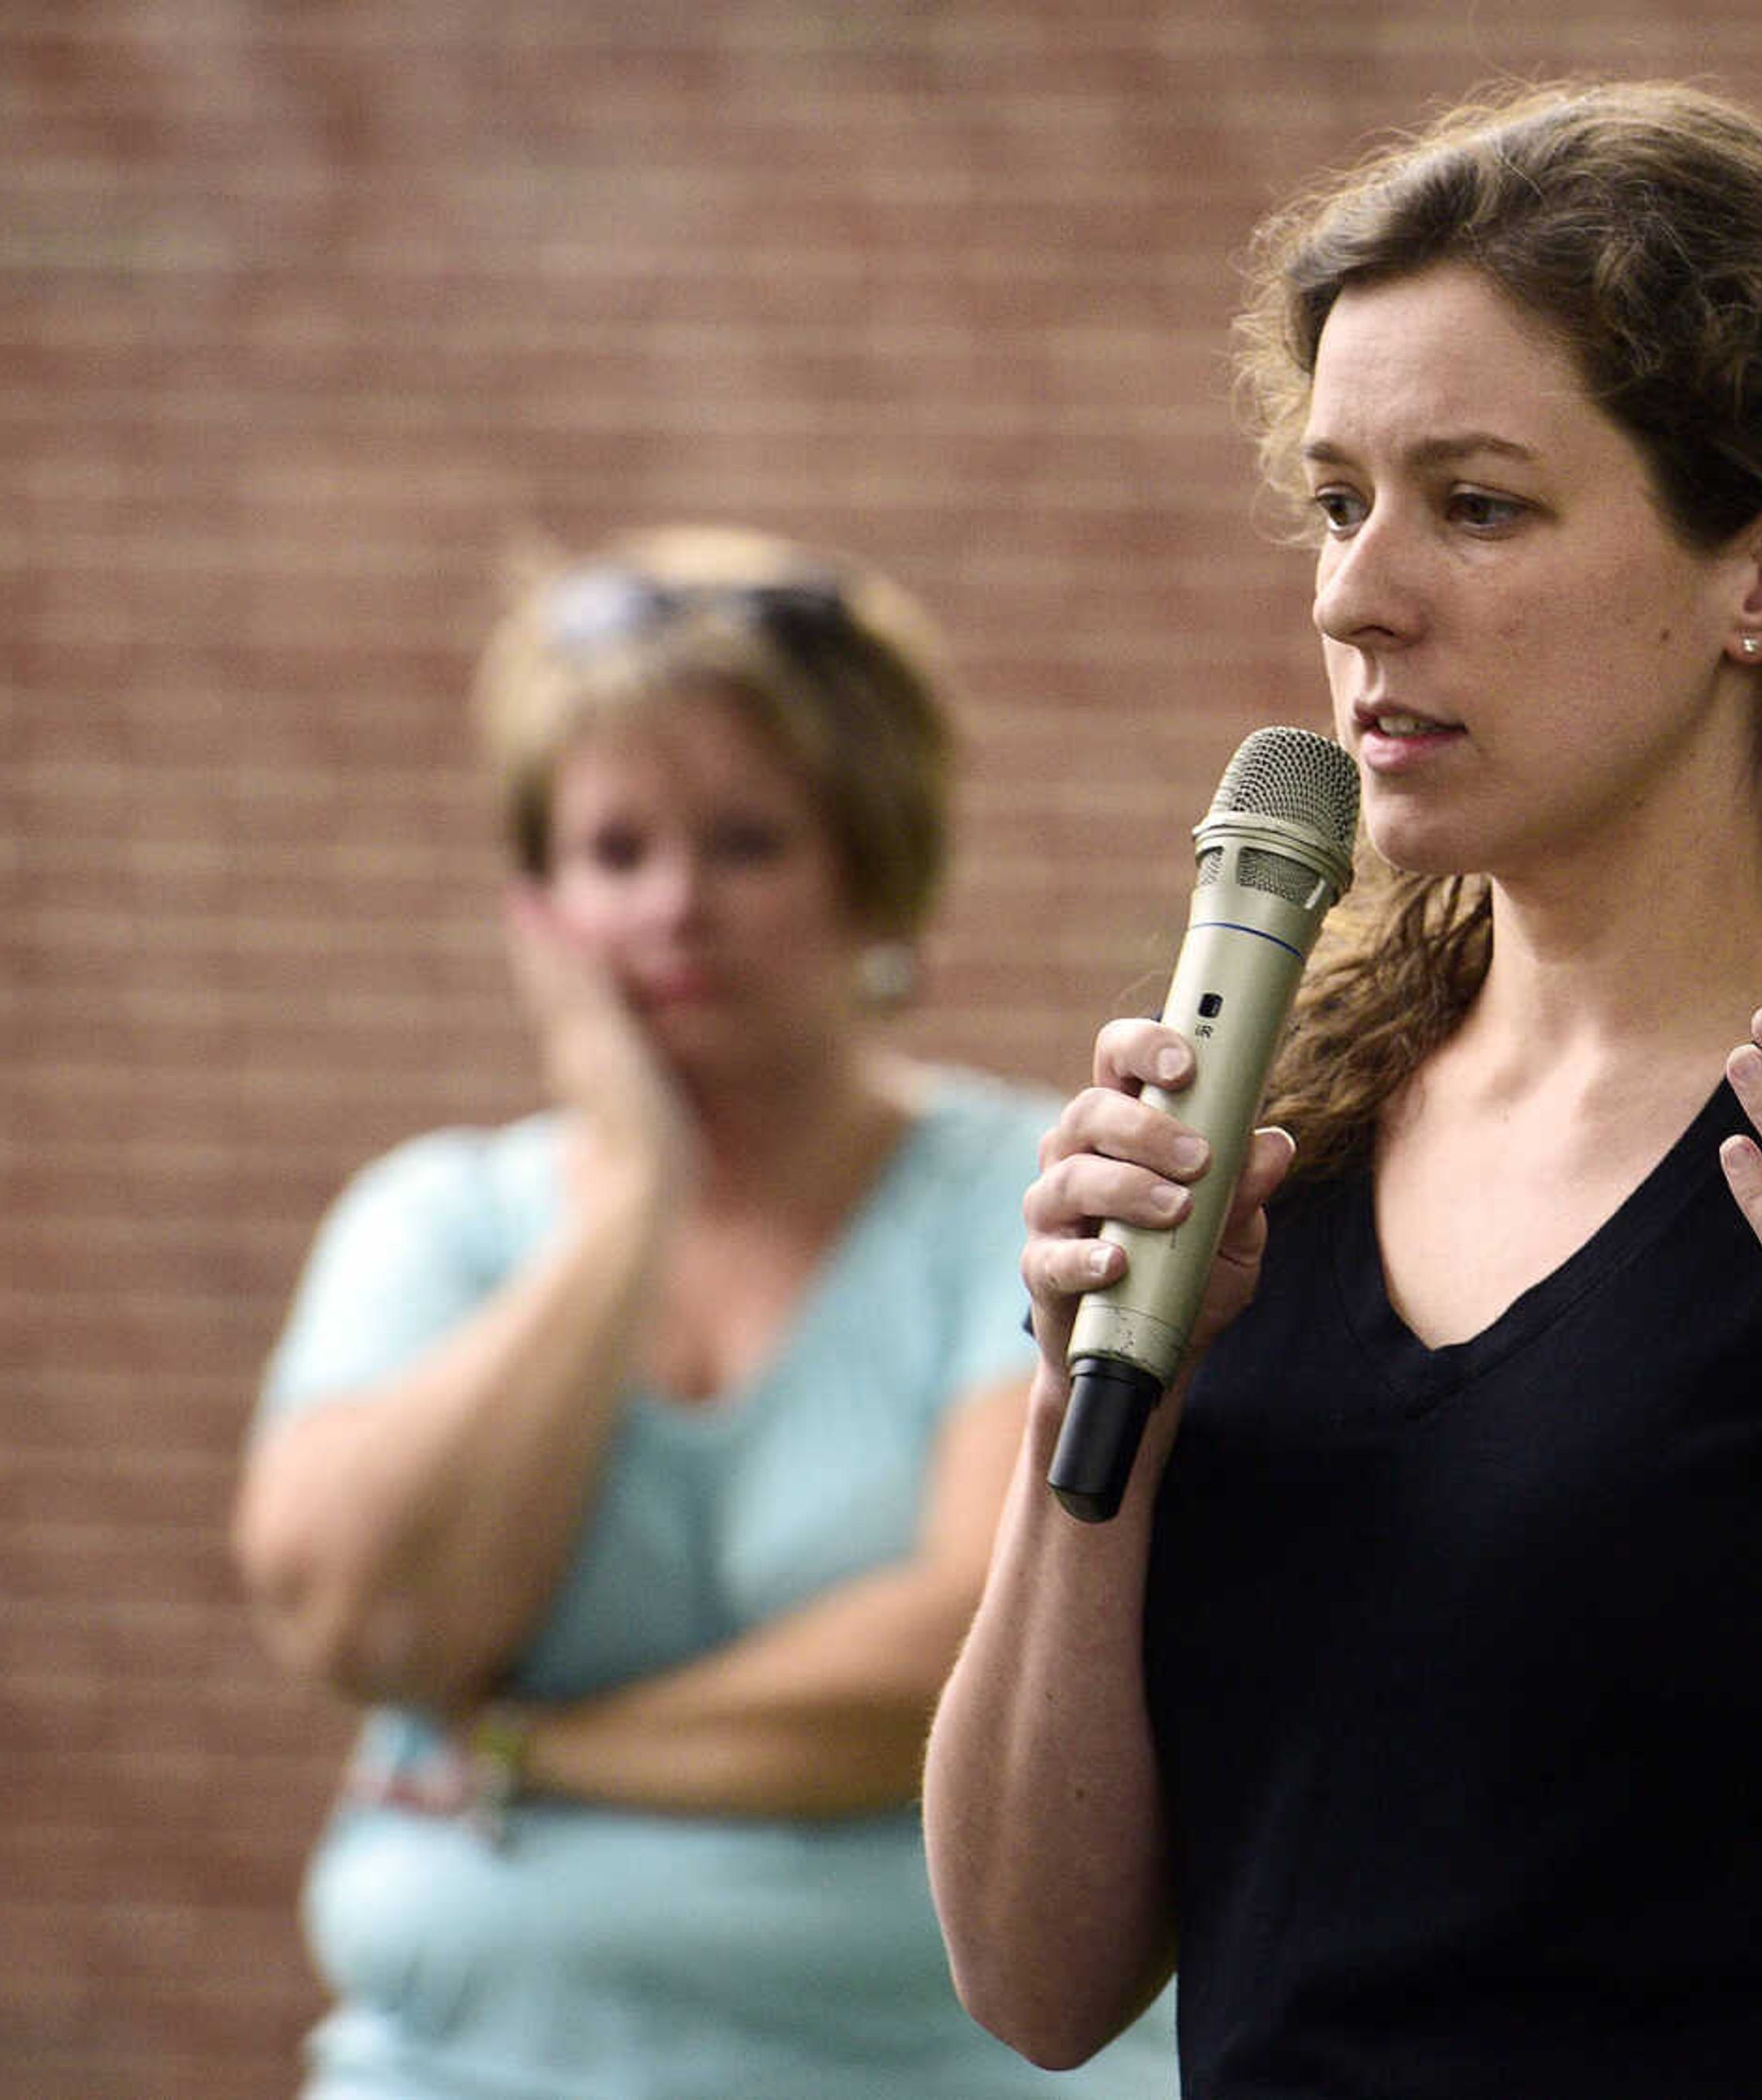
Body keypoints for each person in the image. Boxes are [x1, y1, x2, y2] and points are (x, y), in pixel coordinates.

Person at [924, 81, 1762, 2100]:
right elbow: (1034, 1973)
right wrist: (1098, 1387)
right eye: (1336, 499)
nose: (1356, 594)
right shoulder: (1278, 1132)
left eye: (1475, 503)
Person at [234, 524, 1175, 2098]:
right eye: (614, 853)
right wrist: (629, 1201)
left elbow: (953, 1663)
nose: (674, 907)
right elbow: (366, 1619)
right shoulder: (437, 1221)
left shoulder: (1027, 1195)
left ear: (874, 871)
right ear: (539, 901)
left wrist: (539, 1749)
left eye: (747, 843)